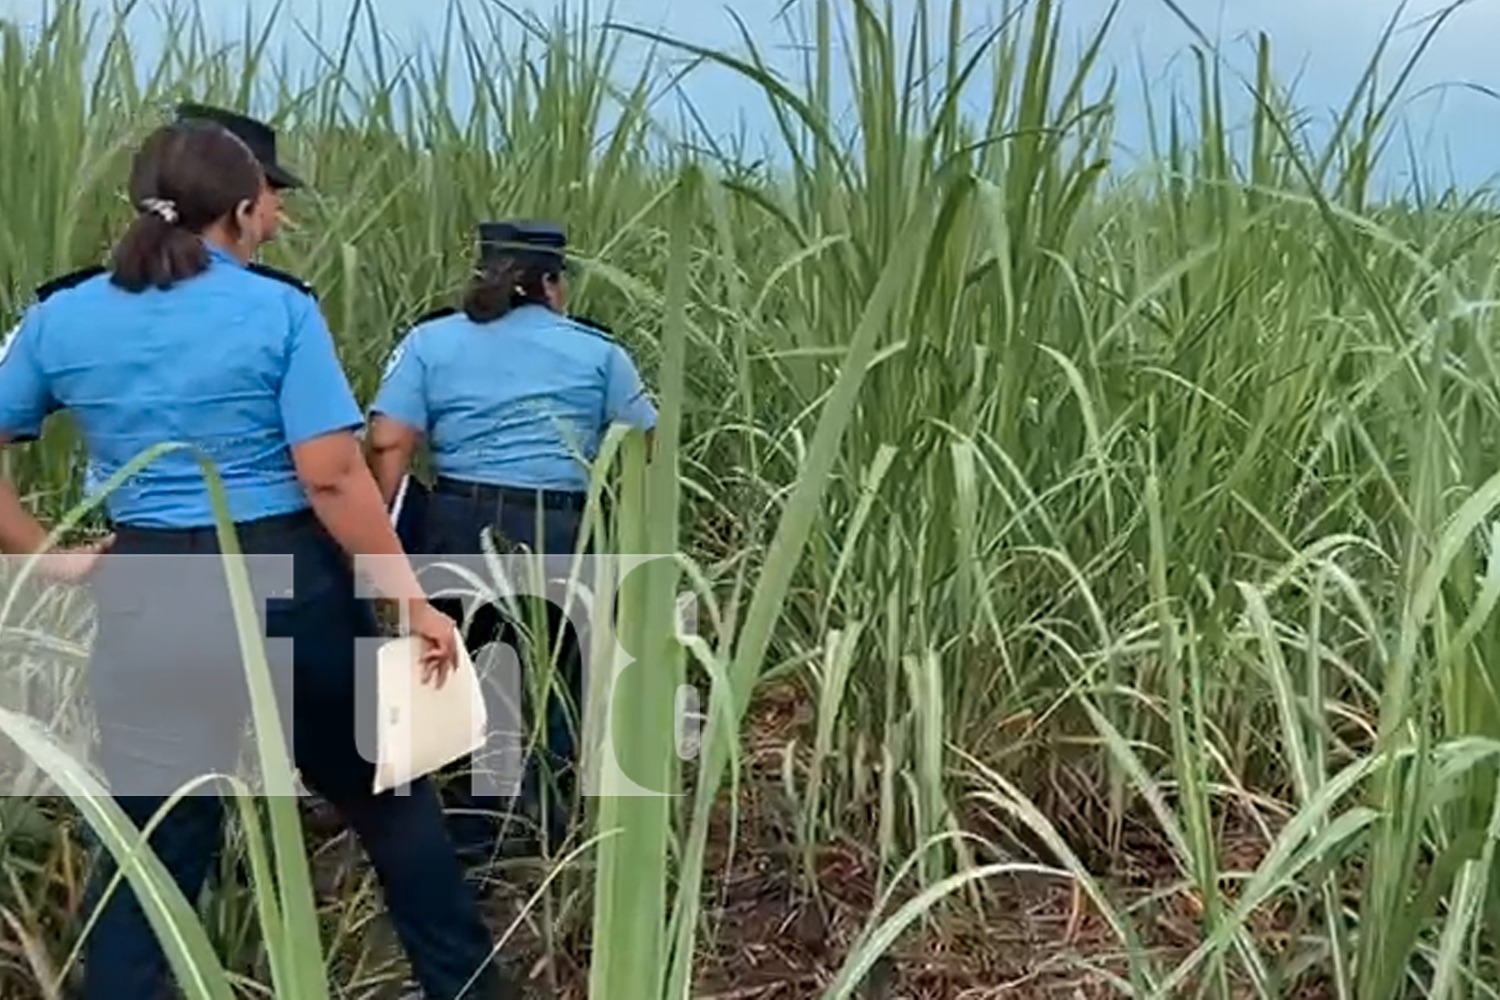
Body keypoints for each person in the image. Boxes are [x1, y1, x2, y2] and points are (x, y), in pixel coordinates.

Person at [0, 119, 504, 998]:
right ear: (237, 210)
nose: (275, 217)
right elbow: (333, 480)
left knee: (157, 840)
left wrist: (51, 559)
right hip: (288, 583)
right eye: (268, 203)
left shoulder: (61, 317)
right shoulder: (278, 310)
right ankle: (467, 991)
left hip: (148, 589)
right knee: (388, 806)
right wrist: (414, 603)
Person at [364, 220, 657, 864]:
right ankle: (548, 825)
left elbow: (389, 441)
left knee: (457, 667)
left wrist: (380, 530)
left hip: (459, 522)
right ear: (553, 285)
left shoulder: (430, 341)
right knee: (558, 672)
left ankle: (471, 830)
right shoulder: (598, 351)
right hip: (564, 529)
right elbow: (645, 447)